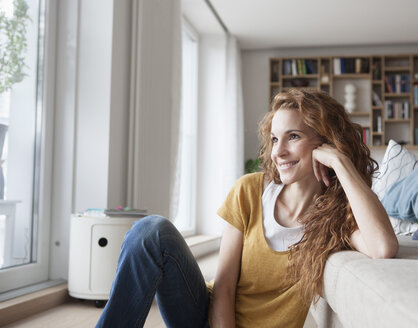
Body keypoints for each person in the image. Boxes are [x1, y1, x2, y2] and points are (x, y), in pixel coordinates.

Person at [95, 89, 399, 328]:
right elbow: (224, 288)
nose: (279, 151)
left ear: (326, 143)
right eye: (275, 139)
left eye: (293, 137)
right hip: (205, 316)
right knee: (152, 231)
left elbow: (383, 246)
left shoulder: (336, 221)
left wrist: (340, 163)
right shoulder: (250, 191)